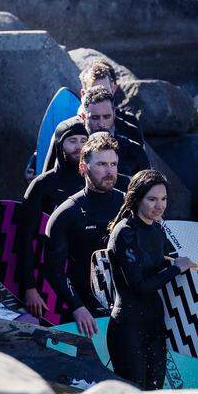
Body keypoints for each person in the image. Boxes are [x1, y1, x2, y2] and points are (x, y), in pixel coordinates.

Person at [105, 169, 193, 390]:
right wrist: (175, 269)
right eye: (152, 199)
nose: (159, 205)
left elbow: (153, 265)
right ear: (136, 198)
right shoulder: (124, 232)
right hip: (128, 327)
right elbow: (140, 285)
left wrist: (172, 264)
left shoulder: (156, 229)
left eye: (163, 199)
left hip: (154, 325)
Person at [43, 133, 127, 336]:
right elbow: (54, 271)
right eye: (101, 165)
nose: (109, 171)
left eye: (113, 164)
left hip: (126, 307)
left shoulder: (129, 206)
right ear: (83, 167)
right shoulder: (65, 213)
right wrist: (77, 307)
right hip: (83, 311)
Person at [15, 119, 88, 318]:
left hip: (83, 280)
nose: (79, 146)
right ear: (59, 144)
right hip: (46, 279)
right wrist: (29, 288)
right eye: (72, 140)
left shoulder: (92, 182)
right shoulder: (42, 185)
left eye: (84, 140)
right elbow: (24, 238)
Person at [42, 86, 149, 177]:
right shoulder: (66, 138)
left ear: (114, 113)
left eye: (106, 117)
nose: (101, 123)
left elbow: (148, 190)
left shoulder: (133, 150)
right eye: (95, 118)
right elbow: (46, 179)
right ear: (83, 116)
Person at [78, 60, 144, 145]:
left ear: (113, 90)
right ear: (83, 94)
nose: (101, 96)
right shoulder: (70, 129)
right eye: (94, 92)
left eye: (105, 91)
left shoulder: (130, 129)